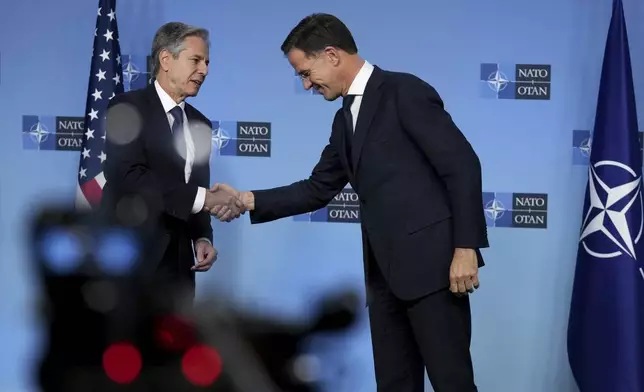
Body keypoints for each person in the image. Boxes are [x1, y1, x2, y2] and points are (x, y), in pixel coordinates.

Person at [212, 13, 488, 392]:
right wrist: (246, 199)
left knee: (451, 383)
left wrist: (465, 247)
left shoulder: (403, 91)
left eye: (306, 72)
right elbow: (317, 188)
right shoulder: (344, 120)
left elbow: (462, 165)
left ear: (332, 54)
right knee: (394, 385)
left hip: (435, 272)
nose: (307, 84)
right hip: (384, 281)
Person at [101, 22, 244, 305]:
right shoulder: (126, 108)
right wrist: (206, 198)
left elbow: (198, 186)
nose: (204, 70)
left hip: (180, 267)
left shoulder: (200, 123)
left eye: (206, 62)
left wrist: (202, 237)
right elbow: (127, 176)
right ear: (166, 59)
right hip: (133, 257)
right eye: (196, 60)